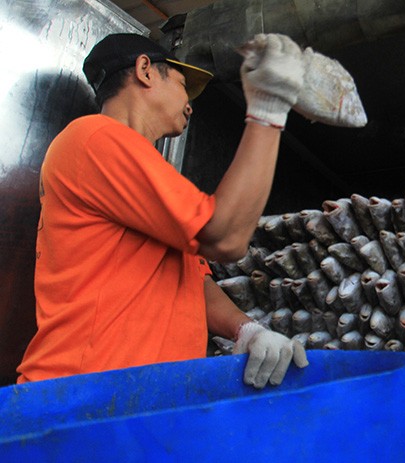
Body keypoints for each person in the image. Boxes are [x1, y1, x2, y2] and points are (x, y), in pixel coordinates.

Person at [16, 33, 308, 388]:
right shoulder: (94, 138)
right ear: (145, 71)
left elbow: (192, 280)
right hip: (82, 395)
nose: (189, 105)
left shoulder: (142, 177)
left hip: (136, 399)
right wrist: (268, 110)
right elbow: (226, 236)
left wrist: (246, 330)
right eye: (184, 86)